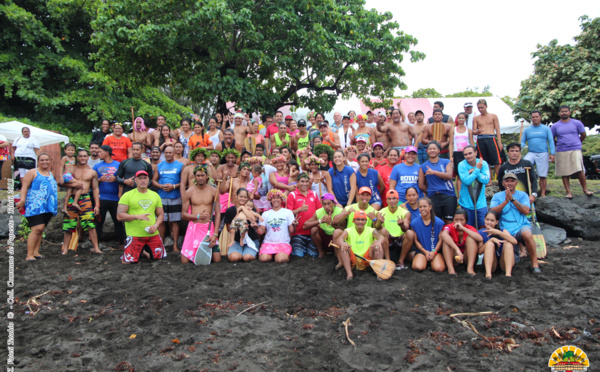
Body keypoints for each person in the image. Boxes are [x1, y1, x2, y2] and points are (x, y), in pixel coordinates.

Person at [490, 173, 541, 274]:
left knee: (527, 234)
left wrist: (512, 200)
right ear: (503, 183)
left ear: (516, 183)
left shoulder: (523, 195)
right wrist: (505, 202)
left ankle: (535, 264)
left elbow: (526, 211)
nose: (510, 183)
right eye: (507, 181)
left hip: (521, 226)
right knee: (514, 261)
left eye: (512, 181)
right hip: (505, 229)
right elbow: (493, 212)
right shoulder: (497, 196)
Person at [117, 170, 166, 264]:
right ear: (135, 180)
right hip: (135, 235)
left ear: (149, 180)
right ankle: (140, 251)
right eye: (140, 178)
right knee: (127, 262)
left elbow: (161, 214)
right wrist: (137, 216)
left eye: (145, 178)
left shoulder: (155, 195)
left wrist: (156, 225)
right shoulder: (127, 195)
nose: (143, 180)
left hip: (152, 234)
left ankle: (142, 252)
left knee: (159, 258)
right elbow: (119, 216)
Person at [15, 153, 58, 261]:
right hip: (35, 205)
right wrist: (22, 200)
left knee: (41, 229)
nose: (45, 162)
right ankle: (29, 255)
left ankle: (36, 252)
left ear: (50, 161)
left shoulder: (50, 173)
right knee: (37, 228)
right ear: (38, 162)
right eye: (42, 160)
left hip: (47, 206)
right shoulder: (32, 172)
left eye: (47, 160)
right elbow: (24, 186)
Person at [61, 149, 103, 255]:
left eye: (85, 156)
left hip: (85, 198)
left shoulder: (92, 172)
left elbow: (95, 189)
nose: (83, 158)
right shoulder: (71, 169)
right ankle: (65, 248)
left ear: (88, 157)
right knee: (69, 223)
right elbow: (61, 182)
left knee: (90, 223)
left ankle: (96, 247)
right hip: (72, 197)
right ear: (77, 157)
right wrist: (73, 185)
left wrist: (97, 205)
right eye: (80, 156)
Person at [551, 105, 593, 198]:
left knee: (579, 169)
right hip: (561, 150)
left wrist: (578, 142)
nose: (564, 113)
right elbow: (552, 138)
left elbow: (583, 134)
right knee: (564, 172)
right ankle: (568, 192)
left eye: (566, 111)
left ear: (569, 112)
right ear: (559, 113)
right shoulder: (555, 126)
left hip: (575, 149)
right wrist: (557, 146)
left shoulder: (577, 123)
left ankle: (585, 189)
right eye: (562, 111)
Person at [334, 210, 385, 280]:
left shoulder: (371, 230)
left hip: (367, 259)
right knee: (343, 246)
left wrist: (378, 242)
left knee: (377, 244)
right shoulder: (348, 230)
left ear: (366, 221)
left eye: (362, 220)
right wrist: (343, 243)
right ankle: (349, 274)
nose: (360, 222)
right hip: (353, 260)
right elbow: (339, 239)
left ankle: (379, 273)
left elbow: (381, 238)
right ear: (354, 221)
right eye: (358, 219)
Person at [152, 145, 184, 252]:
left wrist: (174, 186)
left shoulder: (180, 165)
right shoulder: (159, 165)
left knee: (175, 221)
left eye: (170, 152)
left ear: (174, 153)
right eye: (166, 153)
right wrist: (161, 186)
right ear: (163, 154)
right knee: (161, 221)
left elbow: (184, 182)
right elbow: (153, 181)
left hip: (175, 196)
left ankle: (175, 245)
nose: (168, 154)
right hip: (162, 196)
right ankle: (160, 244)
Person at [93, 145, 125, 248]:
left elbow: (122, 180)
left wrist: (116, 179)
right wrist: (98, 180)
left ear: (106, 153)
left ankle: (121, 243)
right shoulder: (96, 166)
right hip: (101, 198)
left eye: (100, 152)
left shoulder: (118, 165)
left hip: (115, 198)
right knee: (98, 222)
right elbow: (91, 183)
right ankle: (96, 244)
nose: (98, 154)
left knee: (118, 221)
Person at [375, 190, 415, 270]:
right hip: (388, 238)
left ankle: (400, 261)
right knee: (382, 230)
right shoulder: (381, 212)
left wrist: (402, 225)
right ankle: (388, 261)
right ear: (386, 200)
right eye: (389, 199)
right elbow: (377, 227)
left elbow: (406, 228)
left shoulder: (405, 212)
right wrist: (379, 222)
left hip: (400, 237)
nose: (392, 201)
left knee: (410, 233)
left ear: (397, 200)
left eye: (394, 198)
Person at [418, 141, 456, 224]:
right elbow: (421, 185)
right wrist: (430, 190)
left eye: (434, 148)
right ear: (426, 151)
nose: (432, 150)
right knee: (436, 222)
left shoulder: (446, 162)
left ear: (439, 150)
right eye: (430, 149)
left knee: (449, 221)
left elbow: (449, 175)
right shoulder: (423, 166)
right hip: (433, 196)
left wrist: (434, 172)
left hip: (448, 195)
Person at [224, 188, 265, 262]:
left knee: (247, 258)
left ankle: (250, 252)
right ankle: (238, 249)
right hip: (237, 240)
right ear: (236, 196)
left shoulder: (252, 209)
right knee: (233, 258)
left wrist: (244, 208)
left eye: (245, 197)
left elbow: (254, 220)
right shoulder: (230, 210)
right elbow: (229, 229)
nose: (242, 199)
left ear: (247, 198)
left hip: (251, 239)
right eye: (241, 196)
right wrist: (237, 226)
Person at [521, 111, 555, 198]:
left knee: (542, 175)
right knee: (524, 165)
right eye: (533, 117)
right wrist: (518, 149)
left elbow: (551, 141)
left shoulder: (546, 129)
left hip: (543, 152)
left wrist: (553, 153)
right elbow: (522, 142)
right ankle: (529, 191)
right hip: (531, 152)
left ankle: (543, 193)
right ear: (531, 118)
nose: (535, 119)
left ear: (540, 117)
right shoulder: (527, 130)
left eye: (536, 117)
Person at [287, 173, 322, 257]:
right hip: (298, 232)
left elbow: (320, 211)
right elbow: (288, 213)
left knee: (313, 254)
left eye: (306, 181)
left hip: (311, 233)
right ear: (297, 182)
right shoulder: (292, 195)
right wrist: (300, 209)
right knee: (298, 255)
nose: (305, 184)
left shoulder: (313, 194)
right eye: (302, 181)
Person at [440, 209, 483, 276]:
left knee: (471, 238)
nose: (458, 222)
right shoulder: (449, 227)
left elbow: (480, 238)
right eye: (456, 219)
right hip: (455, 257)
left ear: (466, 220)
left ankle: (470, 268)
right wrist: (457, 250)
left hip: (467, 258)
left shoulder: (469, 228)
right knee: (446, 241)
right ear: (453, 219)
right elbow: (444, 235)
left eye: (461, 220)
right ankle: (451, 269)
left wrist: (463, 228)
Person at [258, 190, 298, 263]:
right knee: (263, 259)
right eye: (273, 198)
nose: (276, 200)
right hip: (268, 242)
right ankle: (271, 254)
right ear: (270, 200)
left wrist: (294, 225)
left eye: (278, 198)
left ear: (281, 200)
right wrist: (255, 226)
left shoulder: (288, 212)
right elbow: (261, 232)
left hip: (283, 243)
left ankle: (280, 254)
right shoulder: (265, 214)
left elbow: (292, 230)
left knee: (281, 260)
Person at [303, 193, 346, 261]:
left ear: (334, 203)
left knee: (337, 232)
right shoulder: (319, 211)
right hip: (325, 239)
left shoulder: (340, 211)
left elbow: (344, 228)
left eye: (329, 204)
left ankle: (337, 253)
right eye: (324, 204)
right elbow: (305, 226)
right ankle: (321, 252)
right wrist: (320, 221)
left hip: (336, 238)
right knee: (314, 229)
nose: (326, 206)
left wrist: (331, 223)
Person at [457, 145, 490, 229]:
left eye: (470, 153)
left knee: (483, 227)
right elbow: (467, 181)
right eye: (465, 154)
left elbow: (486, 180)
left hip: (481, 203)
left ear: (476, 153)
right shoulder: (461, 165)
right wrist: (478, 170)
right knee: (468, 228)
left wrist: (475, 171)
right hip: (466, 203)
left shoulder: (483, 163)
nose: (468, 156)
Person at [480, 211, 519, 279]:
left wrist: (498, 233)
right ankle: (488, 274)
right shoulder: (481, 232)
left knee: (508, 243)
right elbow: (479, 252)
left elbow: (514, 241)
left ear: (497, 222)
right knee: (489, 244)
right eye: (487, 219)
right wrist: (491, 240)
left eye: (492, 220)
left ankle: (508, 274)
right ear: (484, 219)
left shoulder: (502, 230)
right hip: (491, 264)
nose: (489, 222)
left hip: (504, 262)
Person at [410, 197, 446, 272]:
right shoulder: (414, 223)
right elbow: (416, 241)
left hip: (435, 251)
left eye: (425, 206)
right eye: (420, 207)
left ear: (430, 207)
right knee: (417, 267)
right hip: (422, 251)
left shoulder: (439, 222)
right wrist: (425, 252)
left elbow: (440, 240)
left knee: (439, 268)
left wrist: (434, 252)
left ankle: (432, 261)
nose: (422, 209)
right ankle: (425, 261)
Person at [473, 99, 503, 180]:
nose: (480, 109)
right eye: (479, 108)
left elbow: (498, 130)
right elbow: (473, 131)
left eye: (482, 107)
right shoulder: (476, 118)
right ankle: (488, 180)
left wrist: (499, 142)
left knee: (497, 161)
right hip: (481, 139)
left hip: (491, 138)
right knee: (485, 162)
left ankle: (501, 180)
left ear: (486, 106)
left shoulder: (493, 116)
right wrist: (477, 131)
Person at [448, 112, 474, 182]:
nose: (461, 119)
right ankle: (459, 192)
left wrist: (474, 153)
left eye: (463, 118)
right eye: (459, 118)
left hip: (467, 153)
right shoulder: (453, 129)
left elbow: (471, 142)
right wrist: (451, 156)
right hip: (457, 153)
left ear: (465, 119)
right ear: (457, 119)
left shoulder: (469, 130)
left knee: (469, 172)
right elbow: (451, 143)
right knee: (459, 174)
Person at [59, 143, 81, 212]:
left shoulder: (74, 158)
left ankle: (64, 208)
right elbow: (61, 167)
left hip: (72, 176)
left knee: (69, 192)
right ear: (65, 151)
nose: (70, 151)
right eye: (68, 150)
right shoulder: (65, 158)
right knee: (80, 185)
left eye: (72, 150)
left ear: (75, 151)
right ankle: (75, 202)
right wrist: (61, 177)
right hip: (67, 175)